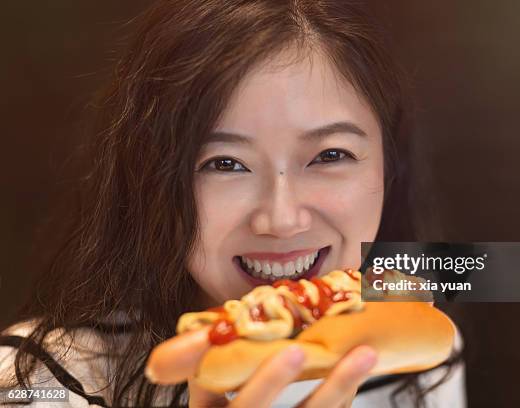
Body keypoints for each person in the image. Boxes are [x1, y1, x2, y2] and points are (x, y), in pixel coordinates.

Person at [0, 0, 465, 406]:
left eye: (330, 155)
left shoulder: (419, 352)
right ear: (152, 180)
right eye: (224, 164)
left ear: (387, 166)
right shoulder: (33, 380)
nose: (281, 220)